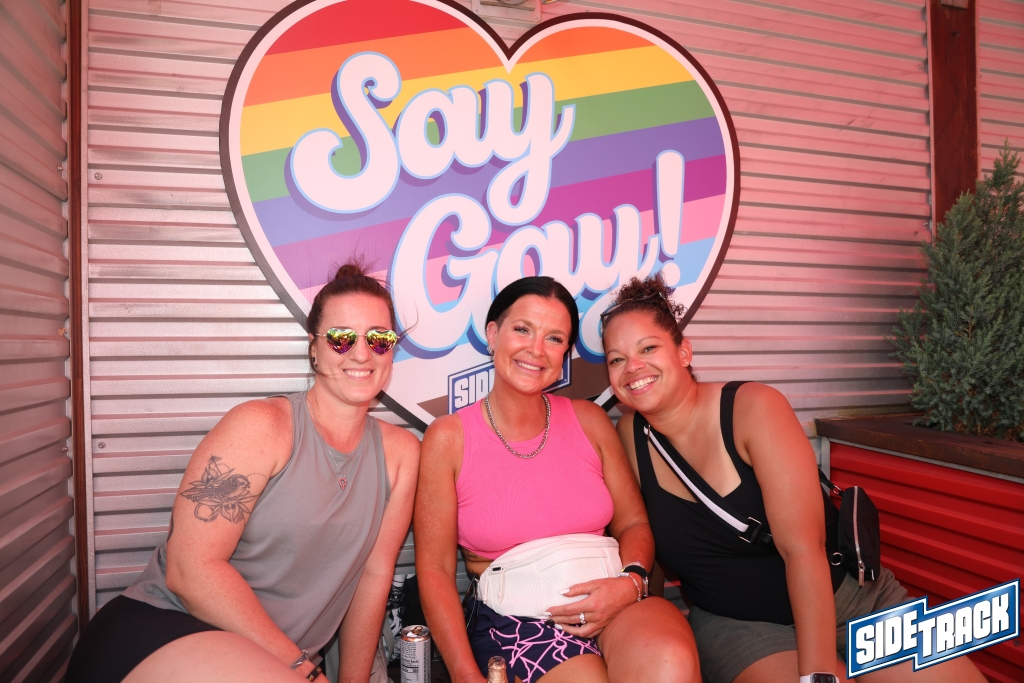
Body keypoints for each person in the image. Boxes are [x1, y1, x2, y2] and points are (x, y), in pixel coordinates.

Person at [600, 274, 987, 683]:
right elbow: (640, 537)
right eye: (616, 359)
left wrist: (818, 676)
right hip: (741, 629)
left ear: (683, 351)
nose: (633, 367)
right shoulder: (629, 438)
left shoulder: (753, 408)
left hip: (850, 603)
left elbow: (804, 550)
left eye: (648, 348)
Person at [66, 263, 420, 683]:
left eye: (379, 339)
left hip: (276, 663)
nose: (361, 354)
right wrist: (302, 670)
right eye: (341, 338)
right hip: (166, 631)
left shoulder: (402, 453)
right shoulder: (262, 426)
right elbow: (189, 570)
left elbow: (372, 577)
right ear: (314, 348)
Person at [415, 276, 700, 683]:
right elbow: (435, 569)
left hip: (617, 598)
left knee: (668, 663)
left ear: (564, 353)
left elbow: (634, 524)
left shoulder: (590, 420)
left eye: (554, 338)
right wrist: (463, 672)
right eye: (522, 329)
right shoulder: (449, 438)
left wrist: (631, 582)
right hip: (519, 620)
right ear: (492, 334)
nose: (536, 349)